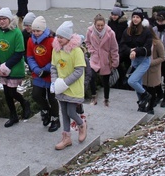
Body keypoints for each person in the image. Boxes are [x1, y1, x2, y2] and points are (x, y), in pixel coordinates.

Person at [0, 7, 31, 127]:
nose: (1, 21)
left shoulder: (16, 32)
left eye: (4, 19)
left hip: (14, 67)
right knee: (6, 93)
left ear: (9, 20)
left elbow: (19, 52)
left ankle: (24, 103)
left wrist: (7, 66)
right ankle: (13, 116)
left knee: (12, 92)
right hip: (1, 69)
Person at [51, 21, 87, 150]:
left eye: (61, 37)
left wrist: (66, 82)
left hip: (72, 87)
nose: (58, 39)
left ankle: (81, 124)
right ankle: (66, 138)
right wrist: (55, 82)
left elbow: (79, 70)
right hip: (60, 87)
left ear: (68, 38)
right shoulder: (56, 50)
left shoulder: (76, 51)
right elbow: (54, 67)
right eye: (58, 37)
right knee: (64, 113)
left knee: (71, 111)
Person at [26, 16, 60, 132]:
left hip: (51, 73)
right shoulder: (31, 40)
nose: (35, 33)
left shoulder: (51, 40)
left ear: (43, 30)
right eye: (34, 31)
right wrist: (36, 69)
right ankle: (45, 110)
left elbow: (56, 57)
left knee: (52, 98)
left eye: (38, 31)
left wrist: (46, 69)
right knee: (36, 94)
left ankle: (55, 118)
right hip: (38, 73)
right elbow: (30, 56)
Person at [119, 8, 153, 112]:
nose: (135, 19)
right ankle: (142, 105)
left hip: (143, 60)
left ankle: (146, 95)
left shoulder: (146, 31)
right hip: (134, 61)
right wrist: (130, 50)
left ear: (141, 19)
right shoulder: (127, 30)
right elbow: (122, 45)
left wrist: (136, 51)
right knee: (138, 83)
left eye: (137, 17)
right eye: (133, 17)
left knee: (132, 81)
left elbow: (147, 48)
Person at [85, 14, 120, 107]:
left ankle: (106, 99)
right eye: (98, 25)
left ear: (104, 24)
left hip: (105, 58)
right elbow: (87, 42)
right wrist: (91, 50)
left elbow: (114, 48)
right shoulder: (90, 31)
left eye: (102, 25)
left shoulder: (110, 33)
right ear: (94, 24)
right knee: (91, 76)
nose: (100, 27)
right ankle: (93, 96)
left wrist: (114, 61)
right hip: (95, 58)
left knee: (106, 81)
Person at [141, 27, 165, 113]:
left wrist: (151, 62)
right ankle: (143, 106)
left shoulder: (157, 43)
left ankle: (151, 107)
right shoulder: (142, 41)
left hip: (153, 70)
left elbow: (162, 57)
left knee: (152, 90)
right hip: (143, 70)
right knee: (144, 89)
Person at [108, 6, 129, 88]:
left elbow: (123, 38)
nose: (114, 17)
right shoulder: (110, 22)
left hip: (121, 47)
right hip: (113, 46)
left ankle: (123, 80)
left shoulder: (123, 24)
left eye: (115, 15)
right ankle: (120, 80)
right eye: (113, 15)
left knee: (118, 62)